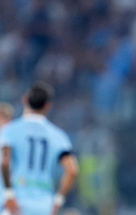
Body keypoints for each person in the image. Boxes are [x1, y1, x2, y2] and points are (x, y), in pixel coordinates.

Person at [0, 82, 79, 215]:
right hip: (44, 205)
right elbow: (72, 170)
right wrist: (58, 200)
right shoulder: (58, 136)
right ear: (48, 106)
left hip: (17, 202)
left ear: (25, 100)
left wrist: (9, 194)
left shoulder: (10, 130)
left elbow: (5, 161)